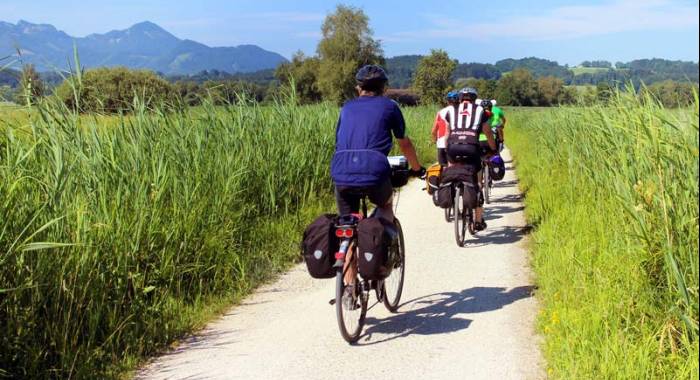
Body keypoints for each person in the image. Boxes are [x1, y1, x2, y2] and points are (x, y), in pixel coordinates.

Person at [330, 65, 424, 285]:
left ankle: (350, 290)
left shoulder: (346, 108)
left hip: (341, 170)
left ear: (358, 87)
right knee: (385, 205)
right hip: (374, 169)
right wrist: (417, 169)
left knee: (347, 225)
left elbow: (339, 142)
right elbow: (405, 143)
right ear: (384, 88)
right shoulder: (390, 106)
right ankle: (379, 257)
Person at [444, 87, 497, 231]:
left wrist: (446, 151)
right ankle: (478, 220)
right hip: (471, 148)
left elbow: (447, 134)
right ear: (474, 99)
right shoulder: (481, 111)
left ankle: (454, 192)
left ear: (460, 98)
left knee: (453, 170)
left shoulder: (451, 110)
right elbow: (488, 133)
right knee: (477, 181)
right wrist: (493, 149)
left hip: (453, 148)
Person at [431, 91, 459, 166]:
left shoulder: (441, 112)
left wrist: (434, 140)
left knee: (444, 166)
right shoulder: (462, 112)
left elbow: (434, 130)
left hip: (442, 143)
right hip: (458, 143)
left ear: (447, 101)